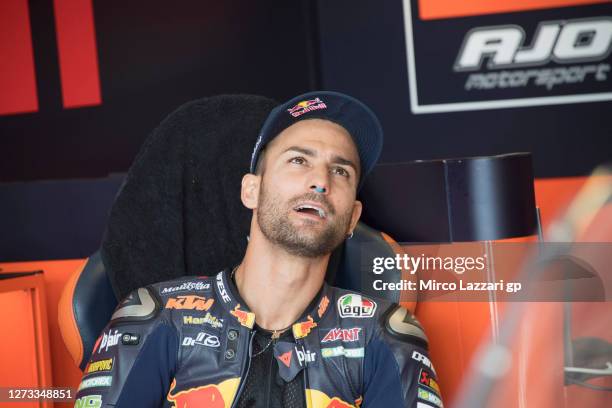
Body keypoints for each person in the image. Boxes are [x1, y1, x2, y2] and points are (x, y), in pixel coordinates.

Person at [74, 91, 442, 408]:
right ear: (251, 191)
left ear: (352, 218)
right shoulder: (157, 318)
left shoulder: (385, 336)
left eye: (341, 171)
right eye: (299, 160)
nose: (320, 182)